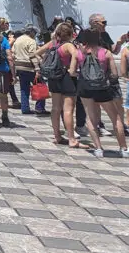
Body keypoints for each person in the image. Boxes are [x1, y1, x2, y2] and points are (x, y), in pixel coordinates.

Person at [69, 28, 128, 157]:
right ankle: (123, 148)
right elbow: (114, 74)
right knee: (115, 118)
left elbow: (72, 72)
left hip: (85, 88)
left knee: (91, 118)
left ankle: (98, 149)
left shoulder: (78, 53)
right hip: (102, 88)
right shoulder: (105, 52)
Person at [35, 22, 80, 147]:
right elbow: (76, 55)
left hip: (53, 76)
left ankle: (57, 136)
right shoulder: (68, 45)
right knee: (68, 109)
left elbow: (36, 52)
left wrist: (44, 63)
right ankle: (72, 139)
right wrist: (72, 70)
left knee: (55, 108)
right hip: (66, 77)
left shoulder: (53, 44)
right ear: (71, 34)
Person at [13, 26, 47, 116]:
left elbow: (13, 52)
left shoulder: (18, 39)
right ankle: (40, 108)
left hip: (19, 67)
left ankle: (25, 108)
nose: (35, 35)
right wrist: (37, 68)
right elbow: (32, 55)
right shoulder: (31, 41)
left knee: (24, 88)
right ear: (31, 32)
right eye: (35, 33)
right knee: (41, 85)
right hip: (29, 67)